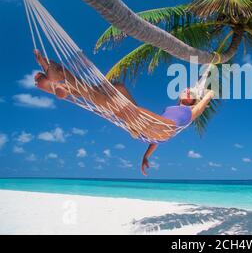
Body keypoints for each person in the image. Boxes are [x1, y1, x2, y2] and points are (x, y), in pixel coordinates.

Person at [32, 50, 215, 176]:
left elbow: (209, 95)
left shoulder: (190, 111)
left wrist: (204, 93)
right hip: (149, 128)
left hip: (157, 127)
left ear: (194, 100)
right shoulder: (172, 109)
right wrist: (145, 156)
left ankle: (62, 82)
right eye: (187, 89)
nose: (189, 90)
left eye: (191, 92)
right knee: (118, 87)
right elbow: (155, 139)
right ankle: (63, 83)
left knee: (117, 104)